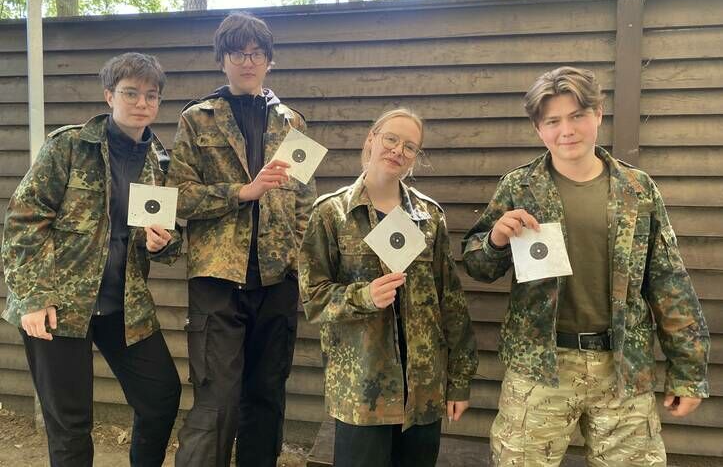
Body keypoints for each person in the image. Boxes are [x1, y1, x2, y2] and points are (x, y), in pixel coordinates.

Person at [462, 66, 710, 466]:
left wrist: (688, 371)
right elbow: (477, 266)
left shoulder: (637, 189)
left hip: (622, 369)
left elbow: (669, 282)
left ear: (598, 114)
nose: (567, 130)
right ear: (538, 129)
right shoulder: (519, 187)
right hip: (540, 369)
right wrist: (495, 240)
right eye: (553, 121)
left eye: (577, 116)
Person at [2, 52, 183, 467]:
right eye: (131, 93)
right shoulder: (69, 146)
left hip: (123, 306)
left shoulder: (160, 163)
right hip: (58, 305)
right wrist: (33, 298)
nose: (141, 103)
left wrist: (163, 244)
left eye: (151, 95)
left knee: (160, 396)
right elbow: (23, 221)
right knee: (70, 425)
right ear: (109, 95)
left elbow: (168, 238)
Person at [166, 12, 316, 467]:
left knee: (267, 397)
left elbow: (304, 201)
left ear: (269, 60)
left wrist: (299, 264)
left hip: (277, 279)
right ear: (222, 60)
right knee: (217, 400)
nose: (247, 62)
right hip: (218, 281)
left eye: (256, 53)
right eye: (237, 53)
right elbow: (178, 196)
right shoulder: (197, 119)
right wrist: (242, 192)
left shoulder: (294, 123)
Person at [300, 108, 478, 467]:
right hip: (363, 390)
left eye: (410, 146)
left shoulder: (429, 217)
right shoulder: (331, 214)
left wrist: (459, 380)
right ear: (372, 139)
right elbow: (314, 297)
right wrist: (364, 297)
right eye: (391, 139)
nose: (398, 150)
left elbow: (451, 303)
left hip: (423, 388)